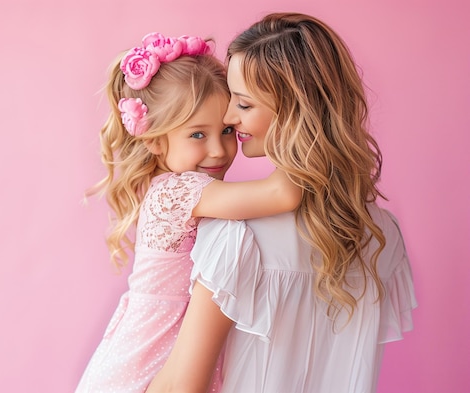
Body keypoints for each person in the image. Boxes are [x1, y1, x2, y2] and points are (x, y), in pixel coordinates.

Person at [147, 12, 418, 393]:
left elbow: (180, 387)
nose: (228, 116)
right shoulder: (383, 235)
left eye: (243, 104)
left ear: (294, 111)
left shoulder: (237, 238)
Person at [76, 32, 301, 393]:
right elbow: (283, 193)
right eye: (198, 135)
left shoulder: (182, 188)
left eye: (227, 130)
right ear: (153, 138)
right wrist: (302, 121)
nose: (218, 150)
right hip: (146, 362)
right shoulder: (180, 191)